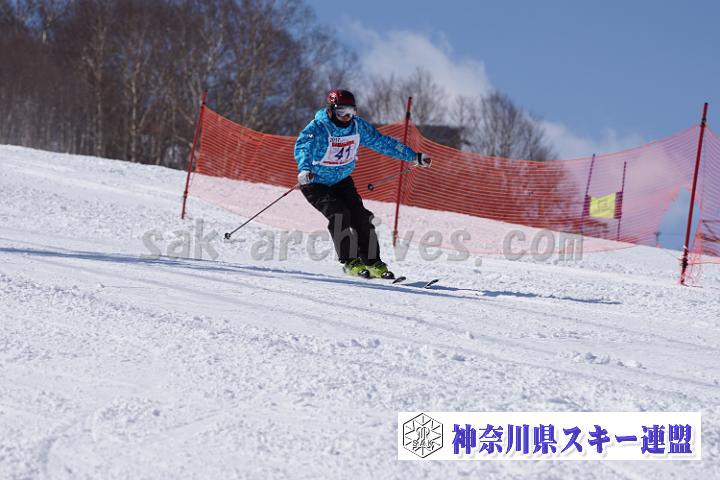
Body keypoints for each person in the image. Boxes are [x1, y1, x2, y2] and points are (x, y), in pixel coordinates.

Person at [294, 89, 432, 278]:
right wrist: (304, 168)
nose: (346, 117)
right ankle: (351, 262)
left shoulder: (357, 127)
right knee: (339, 214)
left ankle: (373, 262)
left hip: (341, 180)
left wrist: (414, 156)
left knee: (362, 217)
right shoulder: (319, 127)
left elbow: (383, 142)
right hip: (315, 182)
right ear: (331, 110)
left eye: (351, 112)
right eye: (342, 112)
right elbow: (303, 147)